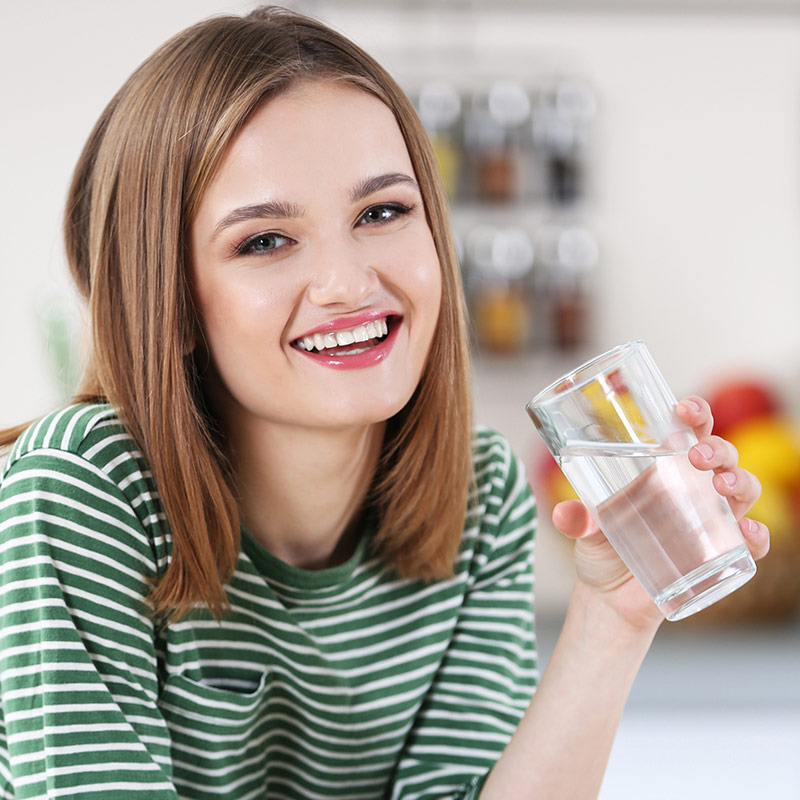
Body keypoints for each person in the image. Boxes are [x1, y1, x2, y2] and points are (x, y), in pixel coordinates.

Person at [0, 6, 768, 800]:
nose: (350, 283)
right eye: (264, 240)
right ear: (169, 303)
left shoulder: (478, 496)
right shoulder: (83, 489)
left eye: (382, 213)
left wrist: (615, 617)